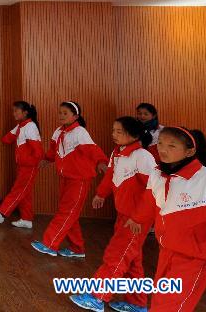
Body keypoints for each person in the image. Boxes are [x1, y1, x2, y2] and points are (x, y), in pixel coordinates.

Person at [69, 116, 156, 312]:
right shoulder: (118, 153)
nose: (114, 135)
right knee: (132, 260)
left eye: (119, 131)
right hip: (123, 216)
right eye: (113, 130)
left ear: (133, 135)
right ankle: (137, 303)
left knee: (116, 256)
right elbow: (110, 176)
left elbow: (154, 192)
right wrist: (100, 194)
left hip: (136, 220)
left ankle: (97, 297)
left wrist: (140, 218)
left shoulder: (143, 157)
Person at [129, 127, 206, 312]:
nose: (163, 150)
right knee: (159, 301)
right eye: (160, 144)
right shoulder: (157, 173)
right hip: (166, 249)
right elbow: (149, 201)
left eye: (172, 146)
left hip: (196, 256)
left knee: (171, 306)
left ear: (190, 151)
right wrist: (137, 219)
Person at [31, 101, 107, 259]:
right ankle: (77, 248)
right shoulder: (58, 131)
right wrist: (46, 159)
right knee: (70, 213)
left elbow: (93, 149)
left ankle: (49, 244)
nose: (61, 115)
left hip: (79, 180)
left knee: (66, 212)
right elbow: (54, 151)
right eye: (60, 112)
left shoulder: (80, 132)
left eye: (65, 113)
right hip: (65, 178)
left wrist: (101, 162)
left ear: (76, 116)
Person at [0, 100, 43, 229]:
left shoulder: (30, 126)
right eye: (13, 110)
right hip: (23, 166)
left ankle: (1, 214)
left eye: (16, 110)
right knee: (25, 194)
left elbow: (38, 151)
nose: (14, 113)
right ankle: (27, 220)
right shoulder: (22, 126)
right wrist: (16, 131)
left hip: (29, 167)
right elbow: (6, 139)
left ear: (25, 112)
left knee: (17, 191)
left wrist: (33, 163)